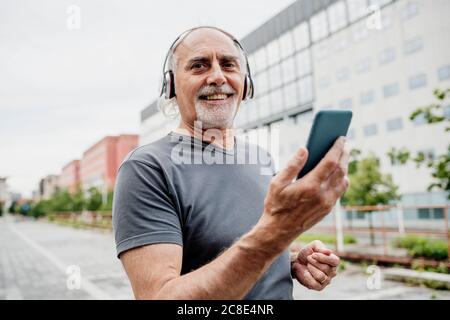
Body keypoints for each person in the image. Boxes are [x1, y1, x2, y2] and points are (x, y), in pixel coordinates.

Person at [112, 26, 349, 299]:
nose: (216, 76)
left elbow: (251, 247)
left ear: (246, 83)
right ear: (172, 86)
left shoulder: (261, 158)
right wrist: (277, 232)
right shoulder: (146, 168)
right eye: (199, 66)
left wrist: (291, 260)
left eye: (228, 65)